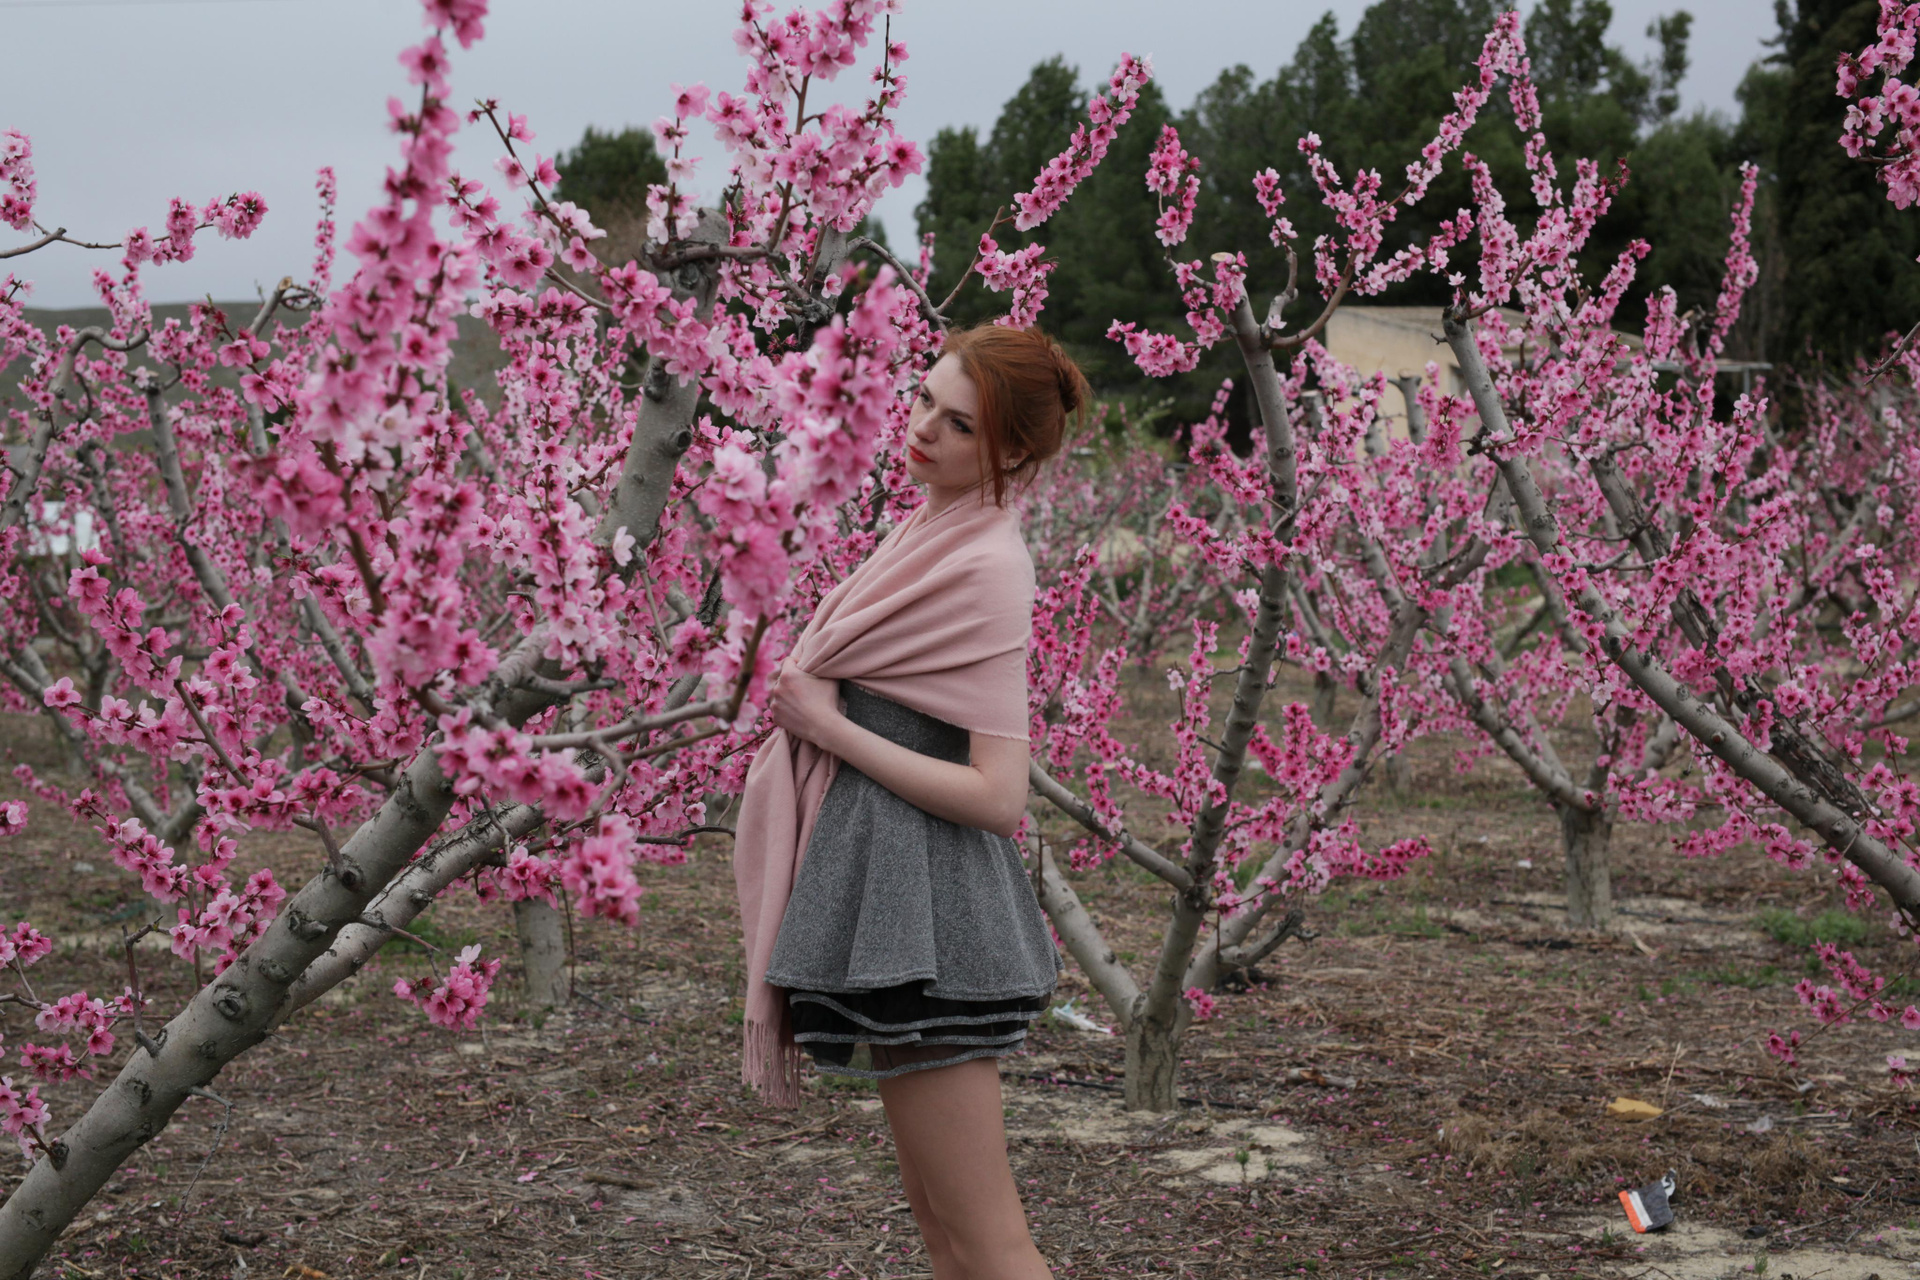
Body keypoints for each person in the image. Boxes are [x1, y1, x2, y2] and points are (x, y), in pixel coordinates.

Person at [732, 322, 1088, 1280]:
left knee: (990, 1243)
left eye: (960, 424)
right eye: (927, 398)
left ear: (1012, 453)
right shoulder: (927, 532)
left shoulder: (987, 566)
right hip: (892, 900)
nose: (925, 427)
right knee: (945, 1240)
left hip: (936, 922)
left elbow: (999, 796)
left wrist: (828, 725)